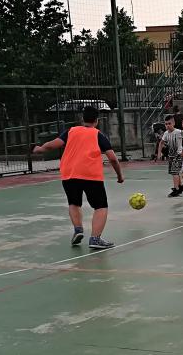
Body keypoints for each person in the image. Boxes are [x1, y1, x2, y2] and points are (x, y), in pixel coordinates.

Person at [33, 104, 124, 249]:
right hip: (90, 175)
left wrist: (40, 148)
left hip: (69, 173)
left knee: (74, 203)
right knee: (100, 206)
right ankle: (95, 239)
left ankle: (78, 229)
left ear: (82, 119)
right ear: (97, 121)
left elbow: (52, 145)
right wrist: (119, 175)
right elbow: (112, 158)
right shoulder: (98, 135)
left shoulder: (71, 131)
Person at [155, 113, 183, 197]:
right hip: (171, 155)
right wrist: (159, 154)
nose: (167, 125)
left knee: (175, 172)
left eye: (169, 123)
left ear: (173, 123)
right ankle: (180, 186)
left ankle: (176, 189)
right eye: (166, 124)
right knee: (174, 172)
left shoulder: (178, 132)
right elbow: (161, 143)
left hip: (178, 155)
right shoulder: (166, 133)